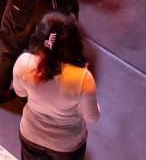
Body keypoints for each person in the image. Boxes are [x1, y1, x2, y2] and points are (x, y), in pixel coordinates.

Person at [12, 11, 100, 160]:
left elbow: (20, 93)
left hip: (31, 134)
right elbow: (92, 118)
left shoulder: (24, 62)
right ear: (74, 44)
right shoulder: (83, 78)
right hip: (67, 145)